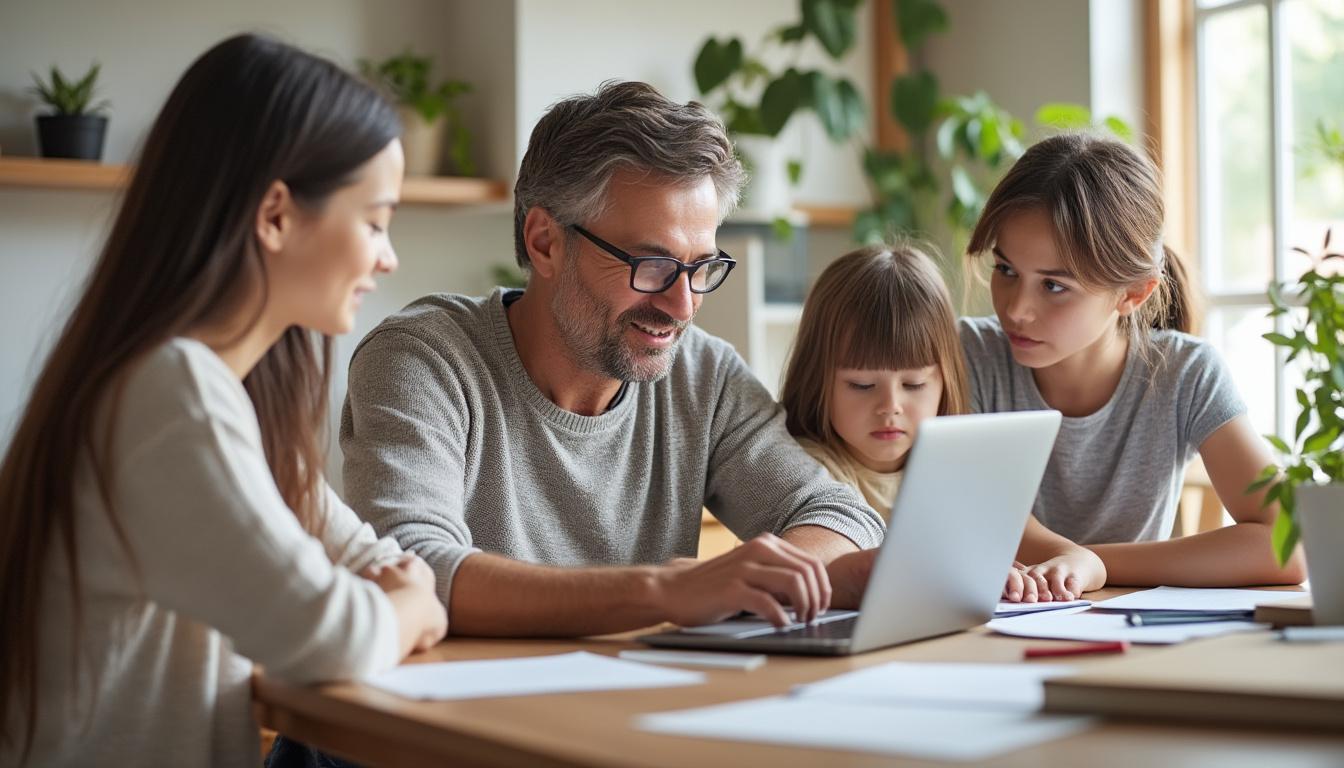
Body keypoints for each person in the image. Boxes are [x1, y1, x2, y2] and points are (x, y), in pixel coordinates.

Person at [0, 34, 446, 767]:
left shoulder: (216, 389)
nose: (387, 256)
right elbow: (328, 635)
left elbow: (369, 554)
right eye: (374, 221)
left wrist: (403, 590)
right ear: (275, 215)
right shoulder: (170, 392)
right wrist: (409, 607)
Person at [339, 81, 887, 638]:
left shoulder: (705, 376)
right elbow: (413, 571)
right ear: (546, 242)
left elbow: (839, 516)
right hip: (436, 717)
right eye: (651, 265)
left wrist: (771, 576)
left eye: (701, 267)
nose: (683, 305)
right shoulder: (423, 360)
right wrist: (665, 591)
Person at [959, 132, 1306, 603]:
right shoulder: (967, 356)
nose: (1017, 309)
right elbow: (995, 521)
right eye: (1006, 271)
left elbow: (1288, 543)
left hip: (1129, 633)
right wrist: (1079, 560)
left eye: (1054, 286)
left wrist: (1096, 564)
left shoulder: (1185, 373)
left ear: (1133, 294)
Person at [780, 244, 970, 520]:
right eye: (862, 385)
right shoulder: (803, 473)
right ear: (817, 379)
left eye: (914, 384)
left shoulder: (958, 463)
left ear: (946, 381)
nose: (890, 406)